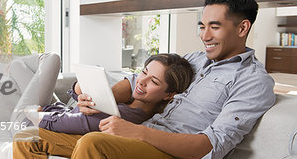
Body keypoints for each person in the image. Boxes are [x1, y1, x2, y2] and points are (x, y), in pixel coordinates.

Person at [12, 0, 276, 159]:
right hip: (140, 137)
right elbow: (138, 80)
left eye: (214, 27)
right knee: (28, 138)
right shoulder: (196, 60)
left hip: (174, 156)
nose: (204, 36)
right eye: (202, 26)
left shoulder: (253, 81)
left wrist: (136, 133)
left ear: (243, 27)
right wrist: (100, 99)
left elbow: (210, 145)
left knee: (93, 145)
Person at [27, 54, 193, 135]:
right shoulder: (129, 101)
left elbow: (66, 123)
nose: (141, 81)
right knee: (21, 69)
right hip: (56, 109)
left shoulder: (125, 116)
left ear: (169, 95)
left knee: (50, 59)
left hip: (31, 122)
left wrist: (36, 114)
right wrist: (80, 91)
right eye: (144, 72)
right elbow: (77, 101)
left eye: (154, 82)